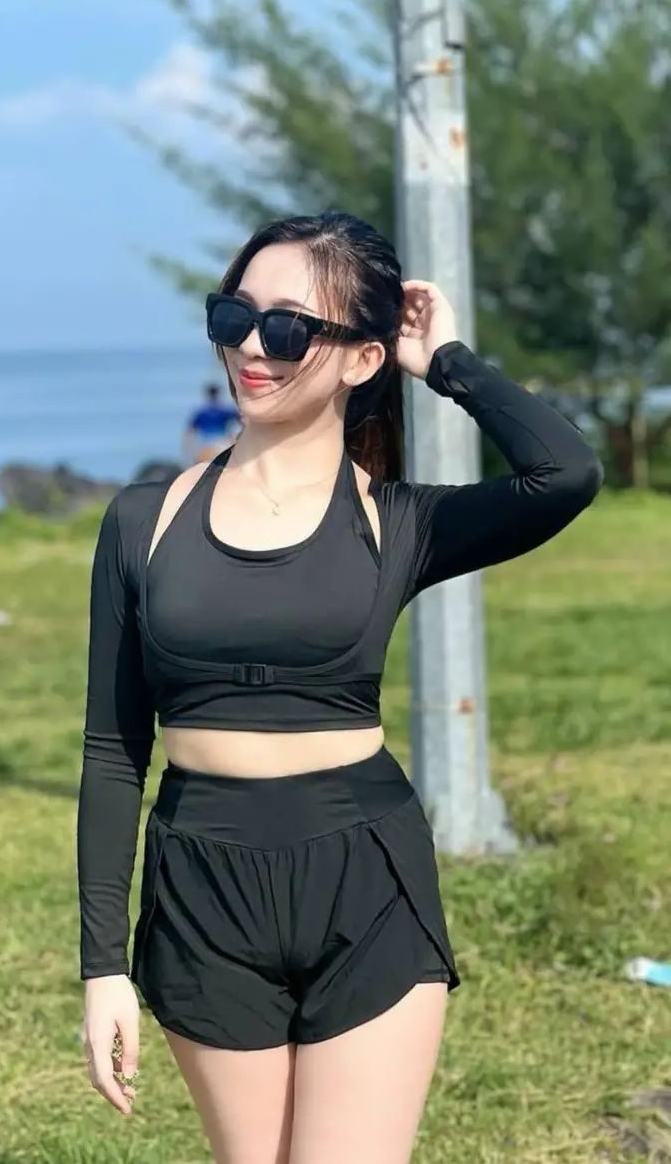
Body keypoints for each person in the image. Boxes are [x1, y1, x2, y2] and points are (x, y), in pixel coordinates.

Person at [77, 211, 603, 1162]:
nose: (252, 347)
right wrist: (101, 966)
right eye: (234, 316)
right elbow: (114, 751)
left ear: (362, 358)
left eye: (287, 328)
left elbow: (563, 472)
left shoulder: (397, 523)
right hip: (203, 887)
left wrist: (444, 362)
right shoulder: (140, 522)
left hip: (367, 879)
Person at [183, 382, 241, 464]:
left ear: (207, 395)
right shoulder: (225, 410)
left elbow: (190, 431)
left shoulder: (201, 412)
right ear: (218, 394)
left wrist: (189, 451)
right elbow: (240, 421)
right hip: (221, 442)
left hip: (204, 443)